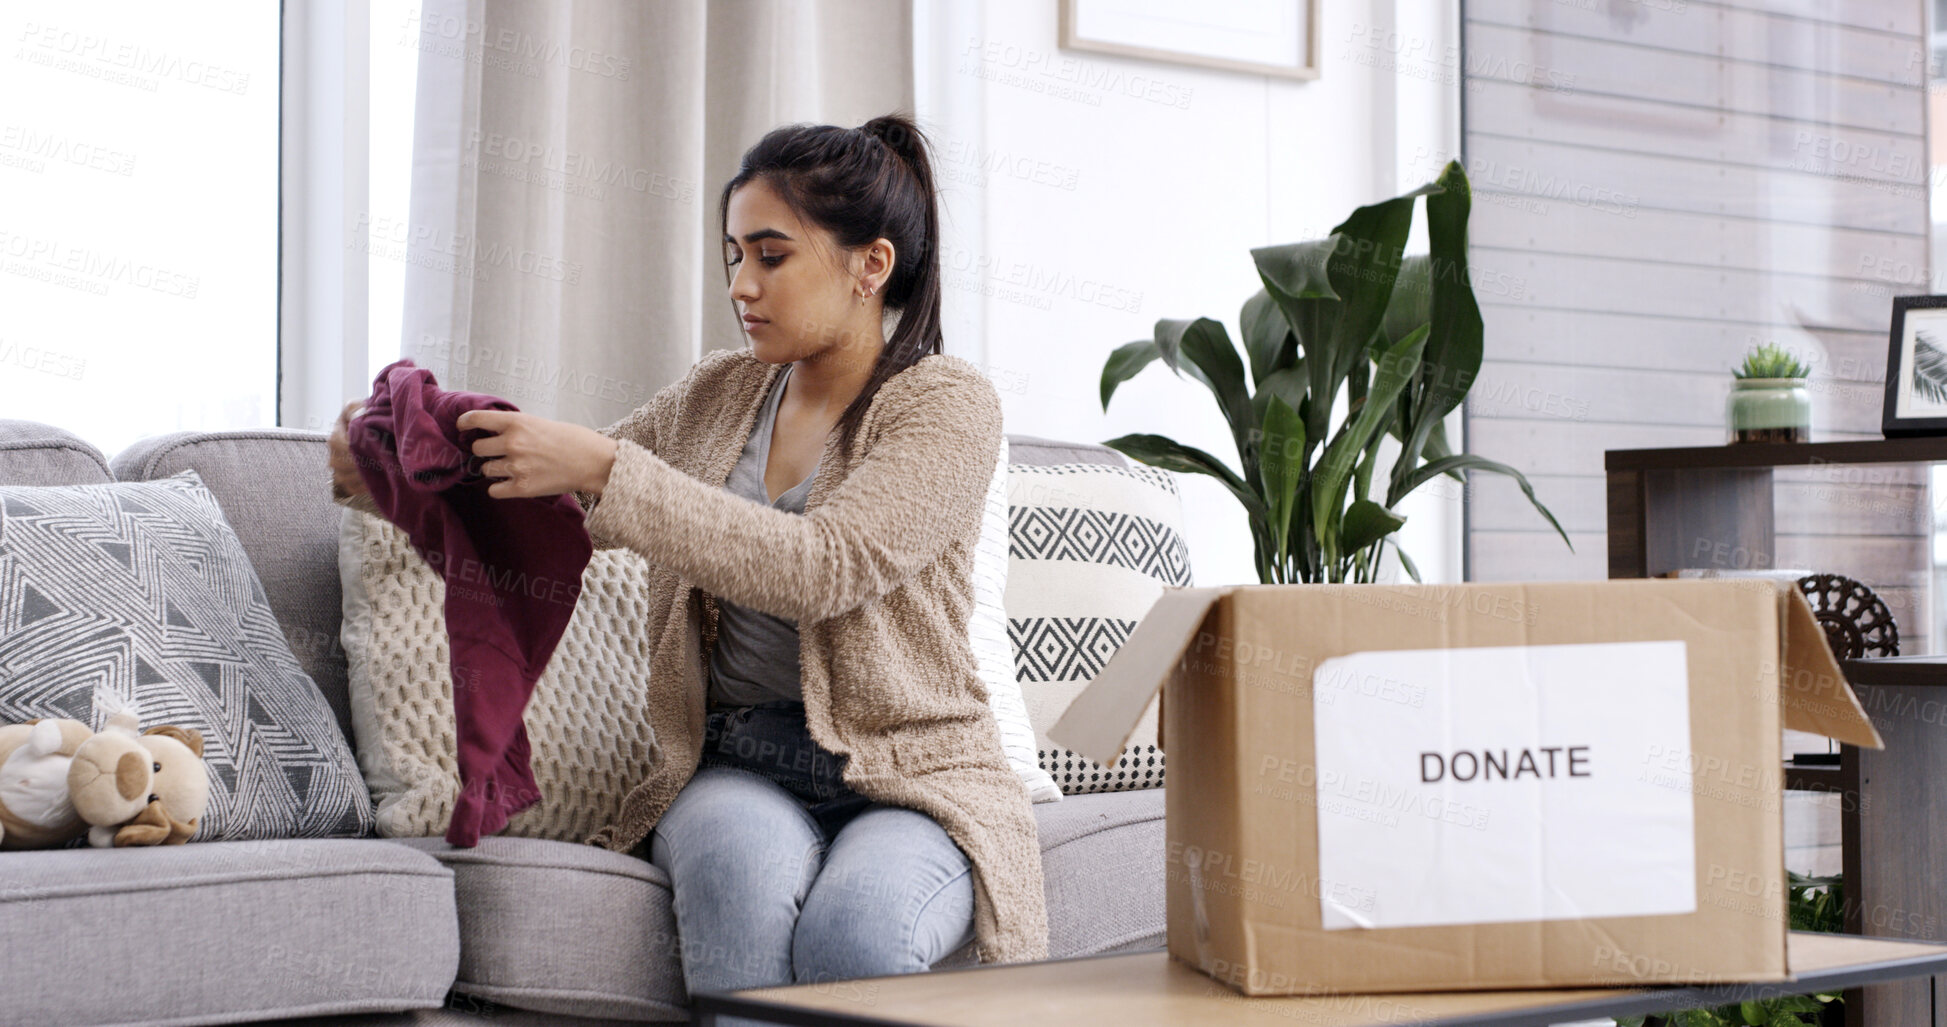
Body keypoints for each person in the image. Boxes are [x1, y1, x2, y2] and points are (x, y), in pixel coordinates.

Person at [327, 113, 1049, 1003]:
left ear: (872, 265)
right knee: (738, 893)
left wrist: (606, 464)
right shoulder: (718, 392)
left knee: (854, 932)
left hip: (911, 772)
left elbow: (823, 565)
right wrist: (394, 461)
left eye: (771, 256)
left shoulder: (944, 403)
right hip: (738, 761)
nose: (742, 285)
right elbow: (564, 502)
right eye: (732, 256)